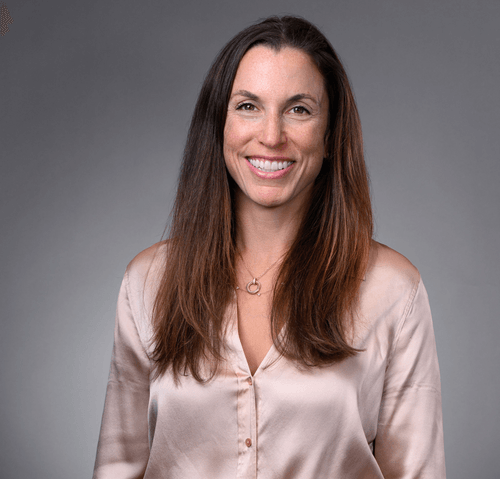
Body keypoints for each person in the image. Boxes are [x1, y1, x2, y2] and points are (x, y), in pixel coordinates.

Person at [93, 15, 445, 479]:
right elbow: (118, 467)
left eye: (299, 109)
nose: (272, 136)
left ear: (329, 136)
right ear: (218, 126)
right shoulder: (148, 282)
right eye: (248, 106)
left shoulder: (393, 291)